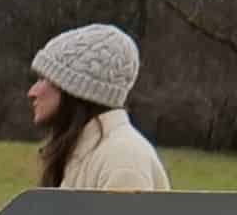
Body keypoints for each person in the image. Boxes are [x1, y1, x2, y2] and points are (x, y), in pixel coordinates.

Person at [26, 23, 170, 193]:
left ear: (75, 88)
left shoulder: (122, 158)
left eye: (43, 79)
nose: (32, 92)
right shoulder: (86, 152)